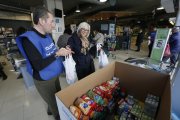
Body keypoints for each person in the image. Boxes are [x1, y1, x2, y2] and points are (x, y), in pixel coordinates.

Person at [16, 6, 72, 120]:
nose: (54, 25)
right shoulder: (29, 40)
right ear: (42, 21)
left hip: (54, 75)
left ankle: (50, 108)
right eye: (51, 21)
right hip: (45, 80)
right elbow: (38, 65)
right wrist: (57, 54)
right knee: (55, 105)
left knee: (58, 97)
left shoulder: (47, 35)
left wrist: (62, 50)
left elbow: (51, 52)